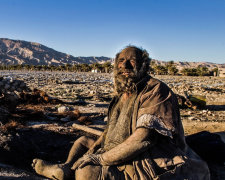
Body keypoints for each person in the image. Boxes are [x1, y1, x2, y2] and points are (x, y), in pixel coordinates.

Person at [32, 46, 210, 180]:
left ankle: (73, 171)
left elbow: (143, 139)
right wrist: (92, 152)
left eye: (132, 61)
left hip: (146, 156)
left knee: (86, 172)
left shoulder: (155, 90)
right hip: (115, 150)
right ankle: (65, 167)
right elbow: (109, 131)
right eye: (121, 61)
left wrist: (100, 159)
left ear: (143, 65)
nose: (125, 65)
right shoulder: (121, 96)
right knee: (83, 141)